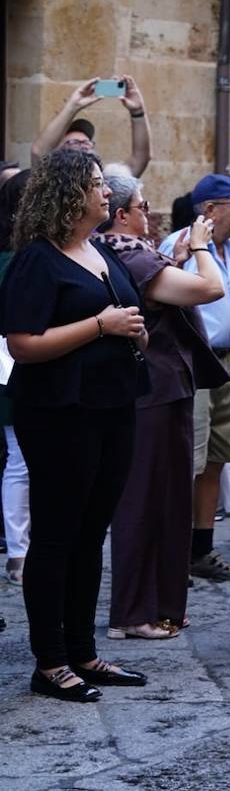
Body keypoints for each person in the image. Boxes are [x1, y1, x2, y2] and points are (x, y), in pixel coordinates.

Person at [0, 148, 151, 701]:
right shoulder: (37, 260)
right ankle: (50, 663)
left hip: (113, 407)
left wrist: (133, 332)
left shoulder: (100, 252)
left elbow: (125, 320)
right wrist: (100, 324)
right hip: (61, 414)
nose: (105, 191)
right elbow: (22, 344)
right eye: (95, 184)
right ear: (68, 195)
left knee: (92, 535)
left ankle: (83, 652)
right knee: (58, 536)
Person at [95, 174, 228, 640]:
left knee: (170, 500)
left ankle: (163, 606)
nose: (149, 215)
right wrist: (201, 247)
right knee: (143, 501)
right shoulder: (125, 251)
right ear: (123, 214)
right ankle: (132, 613)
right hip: (150, 392)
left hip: (165, 388)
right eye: (143, 206)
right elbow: (209, 289)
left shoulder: (127, 251)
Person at [159, 174, 230, 581]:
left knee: (218, 456)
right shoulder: (178, 245)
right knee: (188, 460)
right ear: (211, 209)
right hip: (193, 359)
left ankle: (202, 548)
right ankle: (172, 551)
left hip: (226, 361)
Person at [0, 169, 33, 587]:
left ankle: (24, 548)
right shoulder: (13, 260)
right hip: (11, 366)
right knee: (21, 459)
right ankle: (19, 550)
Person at [31, 76, 152, 178]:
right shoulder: (52, 179)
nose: (83, 147)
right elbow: (39, 152)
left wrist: (138, 111)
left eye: (86, 142)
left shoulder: (106, 182)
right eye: (74, 142)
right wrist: (73, 106)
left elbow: (140, 159)